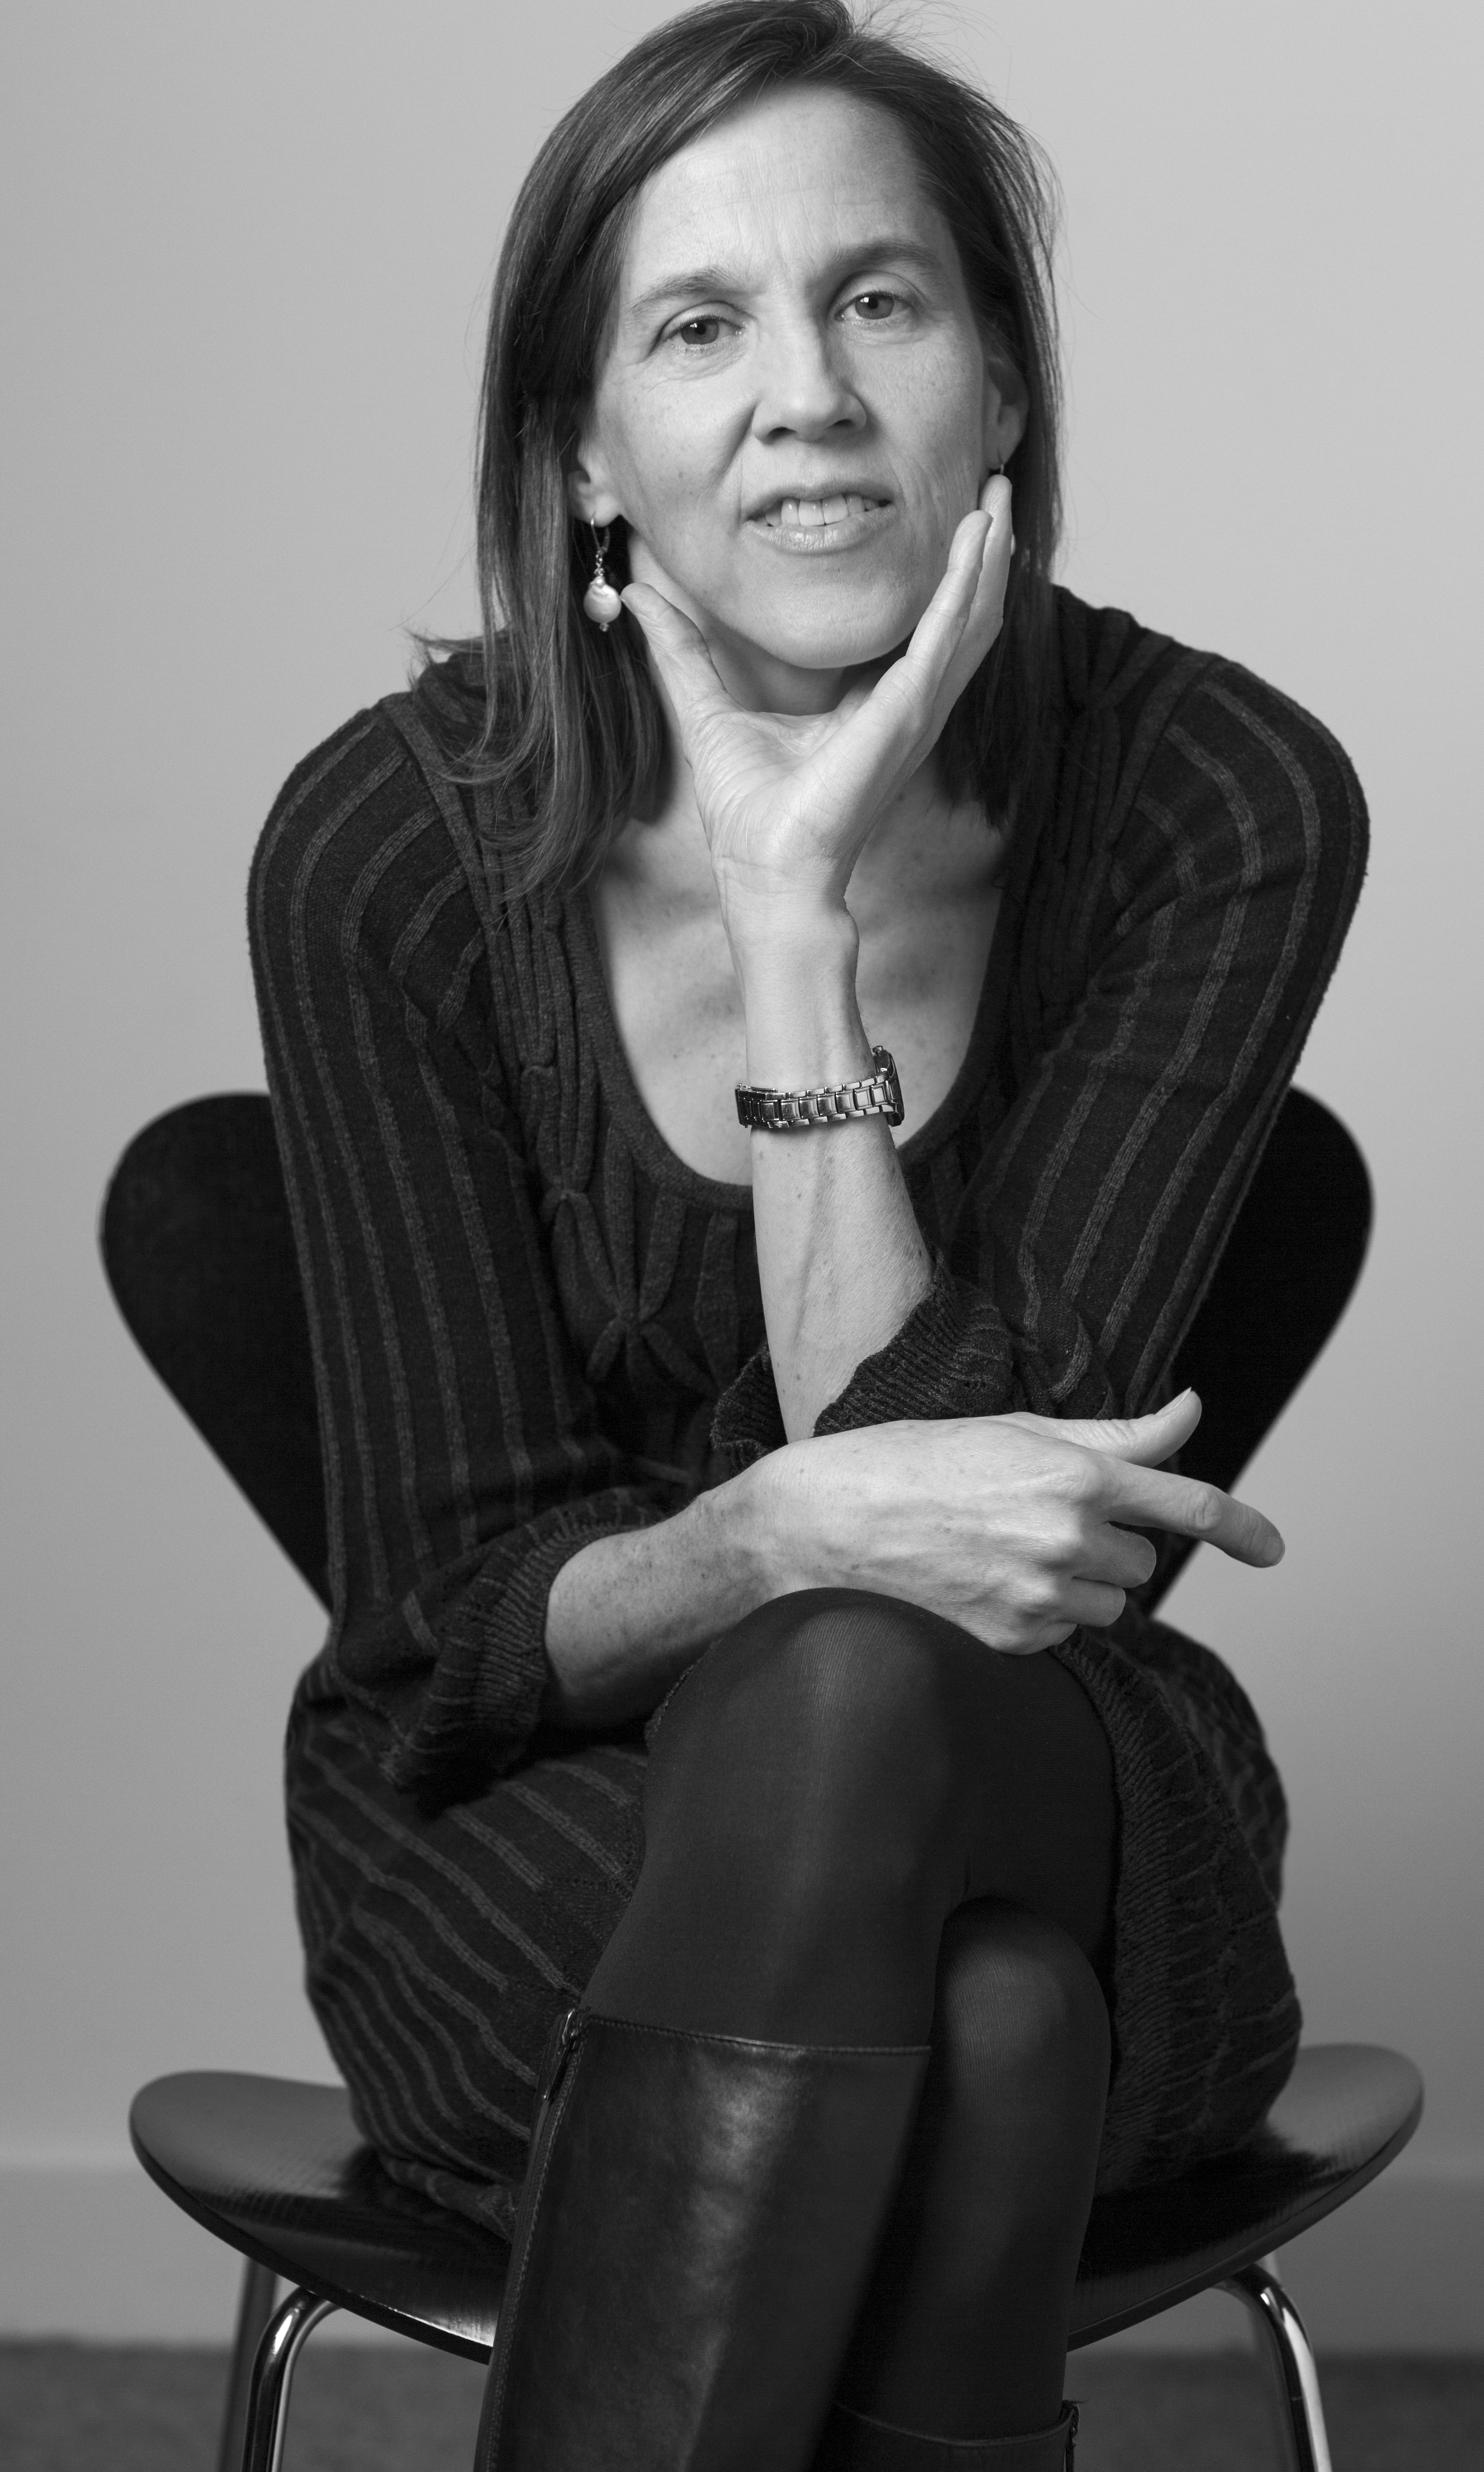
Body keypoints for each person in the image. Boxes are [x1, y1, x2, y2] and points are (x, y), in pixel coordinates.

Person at [249, 4, 1367, 2466]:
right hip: (520, 1838)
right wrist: (767, 1528)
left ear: (1000, 395)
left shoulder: (1216, 802)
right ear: (583, 455)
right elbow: (451, 1627)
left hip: (1037, 1780)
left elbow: (950, 1578)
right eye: (697, 325)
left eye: (884, 302)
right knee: (976, 2033)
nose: (807, 398)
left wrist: (790, 917)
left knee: (851, 1692)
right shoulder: (391, 853)